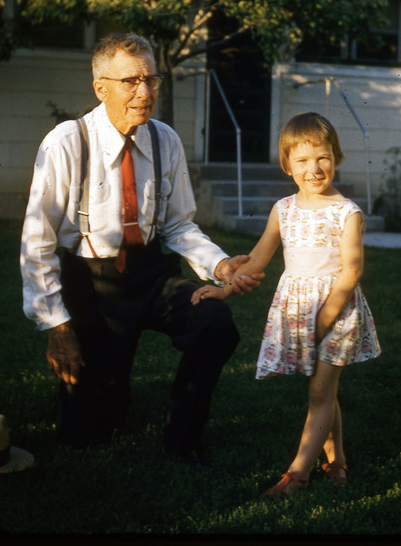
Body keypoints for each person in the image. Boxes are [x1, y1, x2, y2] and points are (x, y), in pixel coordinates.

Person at [20, 32, 263, 467]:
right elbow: (36, 244)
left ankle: (182, 434)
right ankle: (106, 393)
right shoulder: (66, 142)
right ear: (101, 87)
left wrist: (220, 265)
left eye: (152, 79)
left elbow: (177, 225)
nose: (145, 92)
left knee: (214, 323)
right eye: (131, 81)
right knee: (89, 434)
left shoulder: (164, 140)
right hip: (94, 285)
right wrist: (57, 327)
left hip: (153, 273)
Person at [192, 111, 381, 493]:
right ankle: (337, 461)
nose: (314, 168)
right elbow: (258, 258)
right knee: (322, 389)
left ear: (336, 157)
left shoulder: (346, 213)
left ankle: (297, 475)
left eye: (323, 157)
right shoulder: (284, 209)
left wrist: (327, 314)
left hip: (337, 310)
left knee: (318, 391)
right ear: (288, 166)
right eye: (303, 160)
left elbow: (351, 271)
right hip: (300, 310)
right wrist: (224, 288)